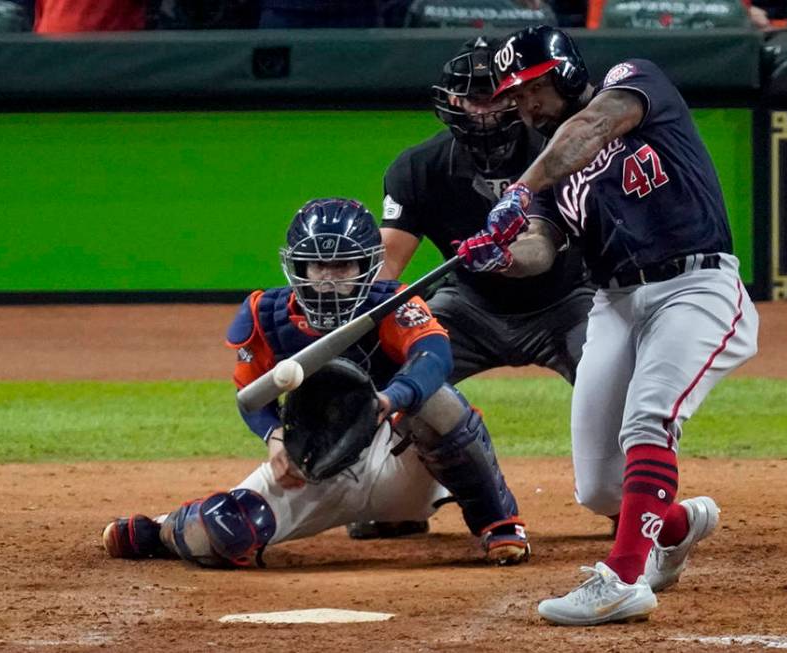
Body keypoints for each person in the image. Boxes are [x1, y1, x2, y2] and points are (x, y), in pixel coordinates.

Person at [457, 26, 759, 625]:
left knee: (649, 419)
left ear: (566, 73)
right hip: (615, 302)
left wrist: (518, 189)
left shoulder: (633, 83)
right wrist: (502, 260)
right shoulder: (551, 174)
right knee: (599, 488)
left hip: (694, 285)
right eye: (514, 98)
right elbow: (542, 249)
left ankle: (621, 581)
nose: (524, 107)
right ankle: (676, 527)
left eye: (530, 90)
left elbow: (590, 129)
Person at [102, 198, 530, 569]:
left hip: (402, 458)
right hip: (316, 464)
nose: (327, 277)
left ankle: (497, 523)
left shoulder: (393, 304)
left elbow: (434, 358)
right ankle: (163, 530)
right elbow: (251, 395)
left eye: (341, 265)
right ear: (297, 266)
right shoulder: (266, 315)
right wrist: (273, 438)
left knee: (438, 402)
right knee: (223, 533)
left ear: (367, 266)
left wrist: (389, 398)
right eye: (317, 265)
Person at [349, 36, 594, 540]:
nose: (487, 111)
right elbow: (386, 269)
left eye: (499, 96)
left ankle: (627, 496)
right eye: (474, 98)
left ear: (519, 96)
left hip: (568, 302)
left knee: (612, 382)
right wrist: (358, 341)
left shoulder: (558, 149)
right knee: (395, 372)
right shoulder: (417, 168)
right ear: (452, 102)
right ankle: (403, 499)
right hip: (469, 307)